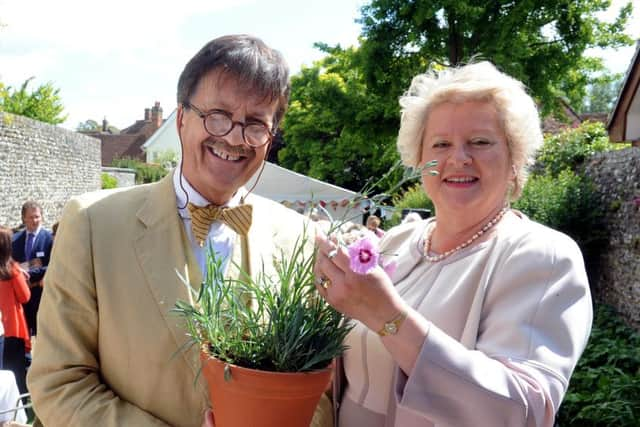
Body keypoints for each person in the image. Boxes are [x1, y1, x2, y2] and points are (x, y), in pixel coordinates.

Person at [27, 35, 328, 427]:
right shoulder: (92, 224)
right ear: (182, 117)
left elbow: (318, 393)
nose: (235, 138)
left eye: (256, 125)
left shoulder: (300, 237)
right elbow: (59, 383)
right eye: (217, 115)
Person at [314, 61, 592, 426]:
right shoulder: (396, 242)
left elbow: (522, 411)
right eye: (441, 143)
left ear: (514, 158)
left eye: (480, 142)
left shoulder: (543, 256)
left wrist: (387, 316)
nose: (458, 158)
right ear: (419, 158)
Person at [11, 201, 53, 337]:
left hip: (41, 295)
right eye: (31, 217)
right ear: (23, 218)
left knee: (43, 334)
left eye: (37, 217)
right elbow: (9, 263)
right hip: (20, 295)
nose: (35, 220)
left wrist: (28, 274)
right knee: (23, 334)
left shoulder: (49, 240)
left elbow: (53, 265)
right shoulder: (15, 240)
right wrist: (17, 271)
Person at [0, 226, 31, 397]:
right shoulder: (12, 270)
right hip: (12, 328)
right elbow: (25, 296)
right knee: (17, 375)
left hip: (1, 327)